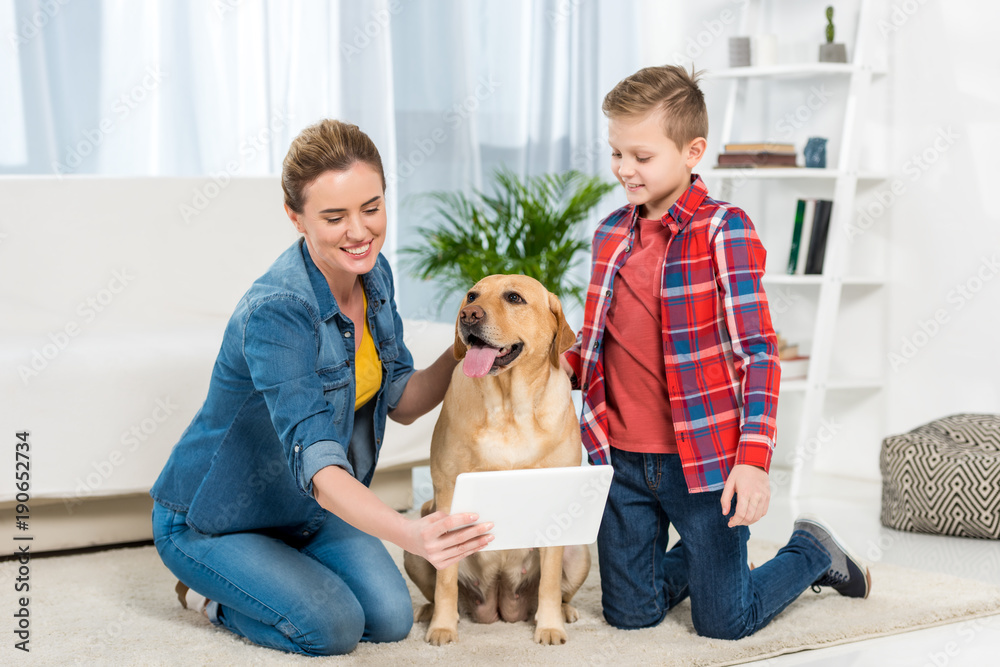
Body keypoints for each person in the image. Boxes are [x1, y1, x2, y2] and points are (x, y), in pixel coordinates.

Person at [150, 119, 494, 656]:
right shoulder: (278, 312)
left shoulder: (373, 276)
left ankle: (277, 573)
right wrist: (410, 533)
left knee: (390, 619)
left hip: (305, 511)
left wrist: (468, 350)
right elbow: (317, 463)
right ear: (296, 217)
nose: (359, 232)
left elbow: (402, 400)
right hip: (214, 519)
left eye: (371, 208)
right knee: (331, 628)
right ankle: (209, 596)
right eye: (334, 217)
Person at [561, 65, 870, 640]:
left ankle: (811, 550)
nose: (624, 169)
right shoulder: (609, 235)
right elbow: (597, 342)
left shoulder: (724, 230)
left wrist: (752, 460)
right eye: (616, 153)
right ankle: (706, 563)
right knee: (629, 614)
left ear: (692, 151)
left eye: (642, 156)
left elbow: (759, 354)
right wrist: (558, 364)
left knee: (726, 622)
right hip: (620, 458)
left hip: (702, 463)